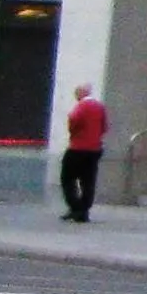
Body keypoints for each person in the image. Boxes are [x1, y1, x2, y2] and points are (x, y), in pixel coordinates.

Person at [58, 84, 105, 223]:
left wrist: (75, 134)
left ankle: (75, 206)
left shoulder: (81, 106)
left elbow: (73, 122)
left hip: (77, 148)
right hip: (95, 149)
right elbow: (104, 127)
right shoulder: (100, 107)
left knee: (67, 178)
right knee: (88, 181)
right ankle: (84, 210)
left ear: (80, 94)